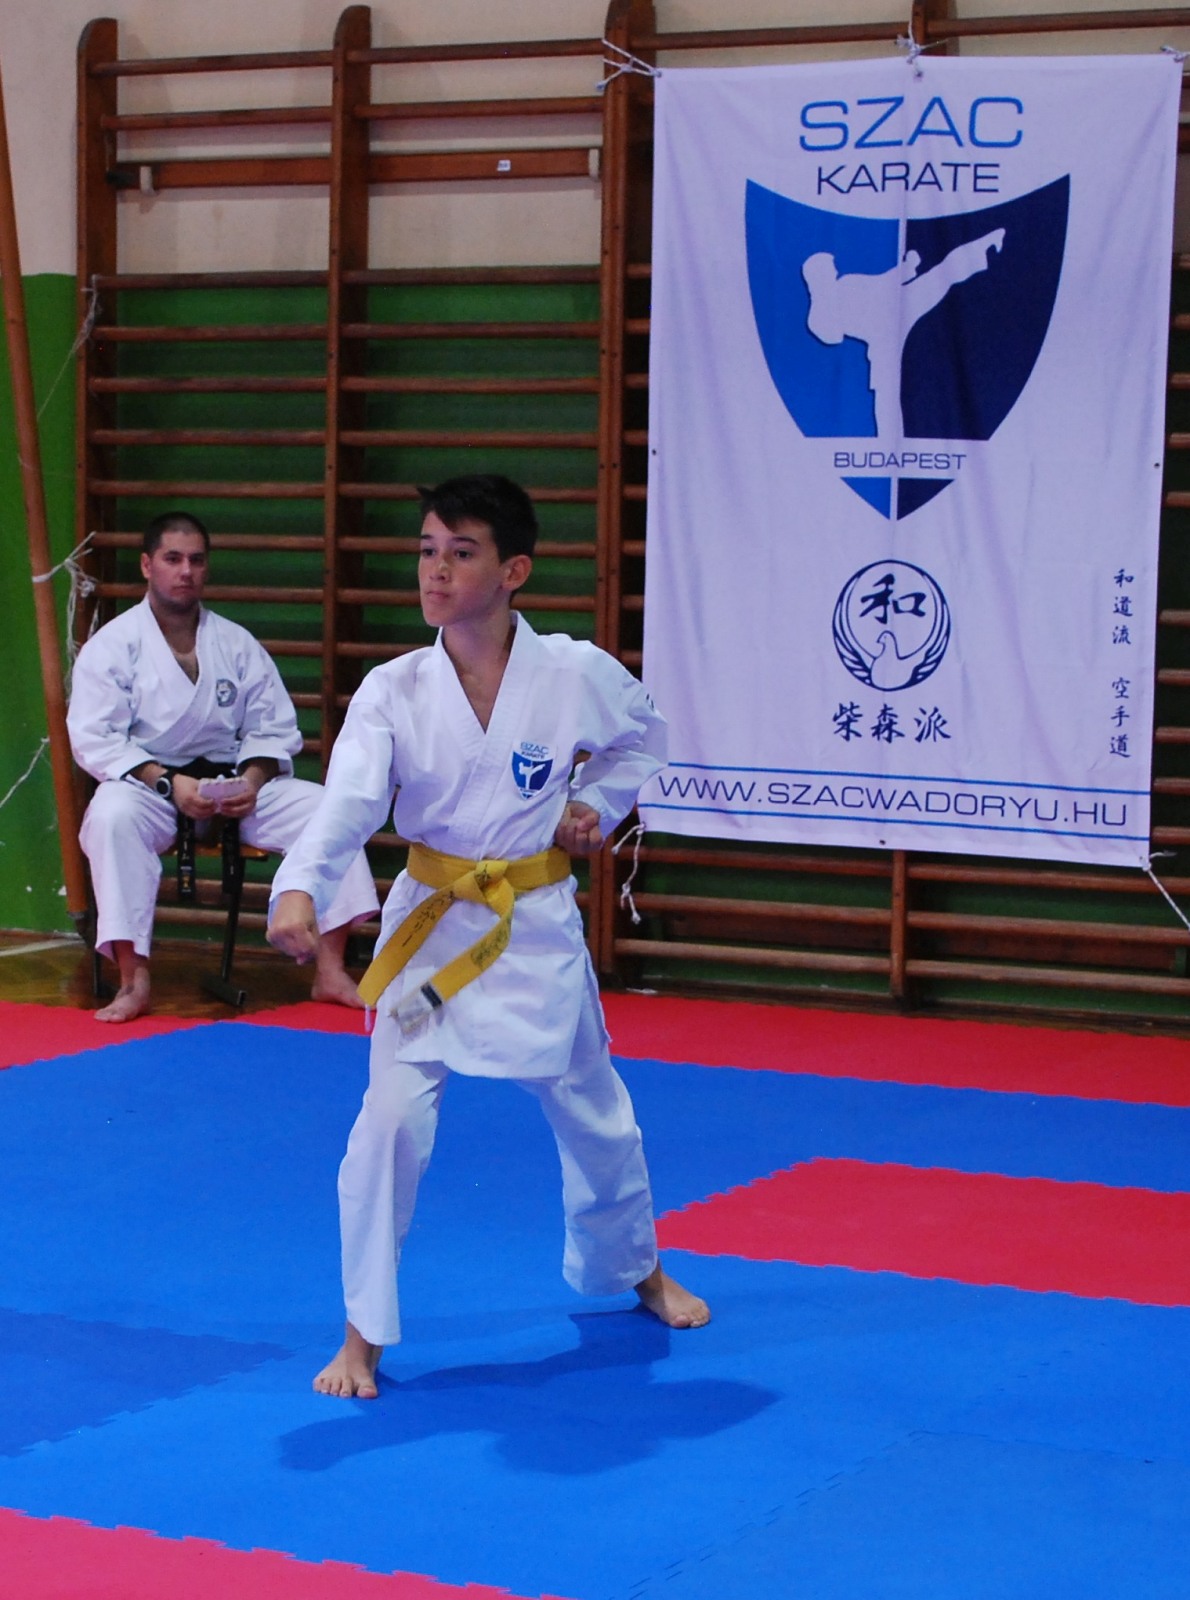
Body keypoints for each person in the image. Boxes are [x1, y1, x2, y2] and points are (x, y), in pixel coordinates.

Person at [267, 474, 710, 1399]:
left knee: (597, 1117)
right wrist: (300, 886)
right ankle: (362, 1334)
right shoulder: (395, 689)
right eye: (427, 550)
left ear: (514, 571)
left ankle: (636, 1269)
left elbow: (644, 737)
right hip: (430, 935)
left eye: (460, 553)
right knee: (387, 1125)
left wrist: (592, 806)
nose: (435, 570)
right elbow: (348, 803)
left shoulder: (574, 673)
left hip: (533, 927)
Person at [67, 510, 380, 1024]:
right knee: (110, 817)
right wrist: (168, 783)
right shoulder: (114, 647)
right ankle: (133, 979)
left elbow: (274, 729)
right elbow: (96, 738)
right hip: (150, 786)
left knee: (327, 808)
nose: (185, 571)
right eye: (172, 559)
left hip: (232, 785)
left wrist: (251, 783)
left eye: (196, 560)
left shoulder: (236, 644)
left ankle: (330, 969)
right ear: (147, 565)